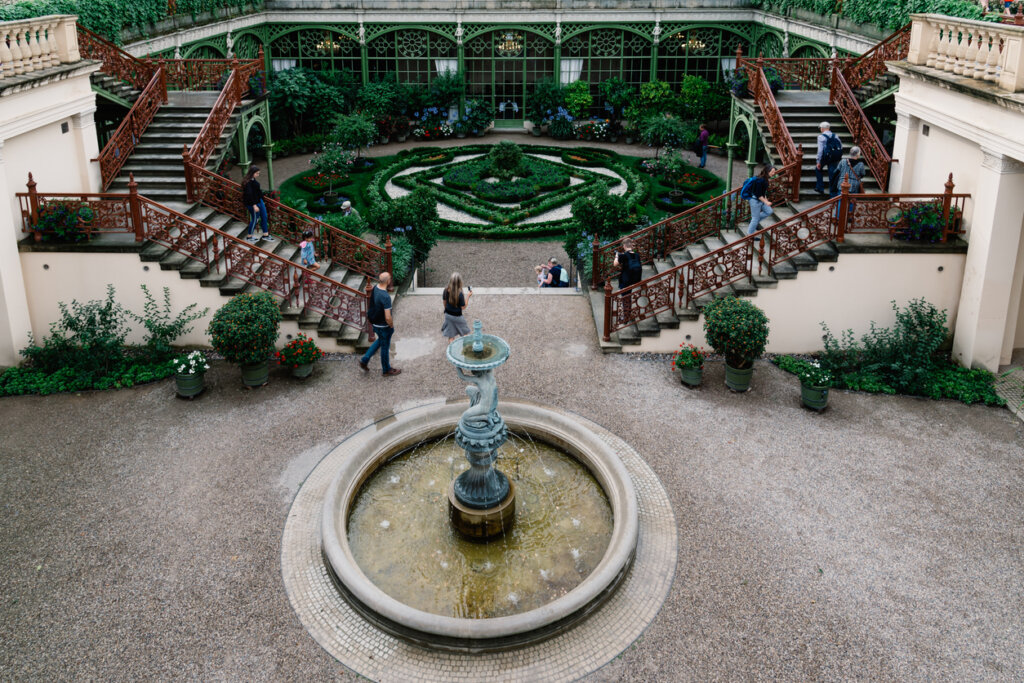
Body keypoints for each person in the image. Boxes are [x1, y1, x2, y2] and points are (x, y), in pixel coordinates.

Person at [359, 272, 400, 376]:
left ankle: (365, 359)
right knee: (385, 347)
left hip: (375, 324)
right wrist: (391, 325)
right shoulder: (385, 297)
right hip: (384, 326)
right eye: (390, 278)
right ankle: (386, 370)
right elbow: (388, 317)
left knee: (380, 341)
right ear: (388, 281)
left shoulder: (376, 288)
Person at [242, 165, 274, 243]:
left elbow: (258, 191)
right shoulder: (248, 182)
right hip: (253, 204)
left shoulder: (253, 180)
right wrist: (254, 205)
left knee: (264, 216)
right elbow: (249, 194)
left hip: (259, 201)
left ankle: (265, 235)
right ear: (252, 173)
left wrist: (262, 199)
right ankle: (249, 236)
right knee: (255, 219)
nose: (258, 175)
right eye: (257, 173)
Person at [744, 164, 775, 240]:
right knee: (755, 218)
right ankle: (749, 236)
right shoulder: (760, 180)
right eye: (772, 172)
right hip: (755, 201)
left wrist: (766, 200)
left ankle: (754, 221)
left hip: (760, 200)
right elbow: (758, 194)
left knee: (769, 211)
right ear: (768, 171)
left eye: (774, 172)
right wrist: (766, 202)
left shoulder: (765, 179)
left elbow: (763, 192)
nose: (774, 173)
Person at [441, 272, 472, 342]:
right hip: (457, 316)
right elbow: (463, 307)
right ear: (459, 282)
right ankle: (465, 350)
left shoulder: (445, 290)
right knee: (465, 334)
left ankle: (450, 352)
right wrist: (468, 296)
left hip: (448, 315)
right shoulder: (460, 294)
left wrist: (447, 310)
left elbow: (444, 302)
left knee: (451, 336)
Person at [815, 122, 841, 196]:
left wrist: (818, 161)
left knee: (818, 169)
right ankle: (832, 194)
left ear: (822, 128)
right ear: (829, 128)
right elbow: (840, 146)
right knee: (832, 175)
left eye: (820, 128)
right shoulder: (835, 135)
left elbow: (820, 150)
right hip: (833, 157)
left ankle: (820, 187)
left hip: (824, 157)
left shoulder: (821, 137)